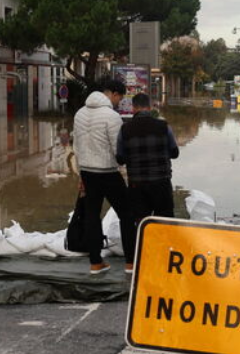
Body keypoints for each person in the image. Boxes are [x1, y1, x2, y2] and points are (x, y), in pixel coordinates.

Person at [73, 79, 133, 274]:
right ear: (113, 94)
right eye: (120, 98)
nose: (119, 102)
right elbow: (118, 148)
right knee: (127, 214)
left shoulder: (79, 113)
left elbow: (76, 147)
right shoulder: (111, 116)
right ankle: (130, 263)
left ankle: (96, 262)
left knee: (92, 216)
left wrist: (80, 174)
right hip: (107, 172)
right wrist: (123, 169)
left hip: (87, 172)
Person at [116, 93, 179, 266]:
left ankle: (143, 260)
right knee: (164, 222)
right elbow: (175, 153)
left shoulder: (125, 129)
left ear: (133, 108)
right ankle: (165, 259)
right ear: (150, 107)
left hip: (137, 185)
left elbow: (120, 158)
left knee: (141, 222)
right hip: (161, 182)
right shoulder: (163, 126)